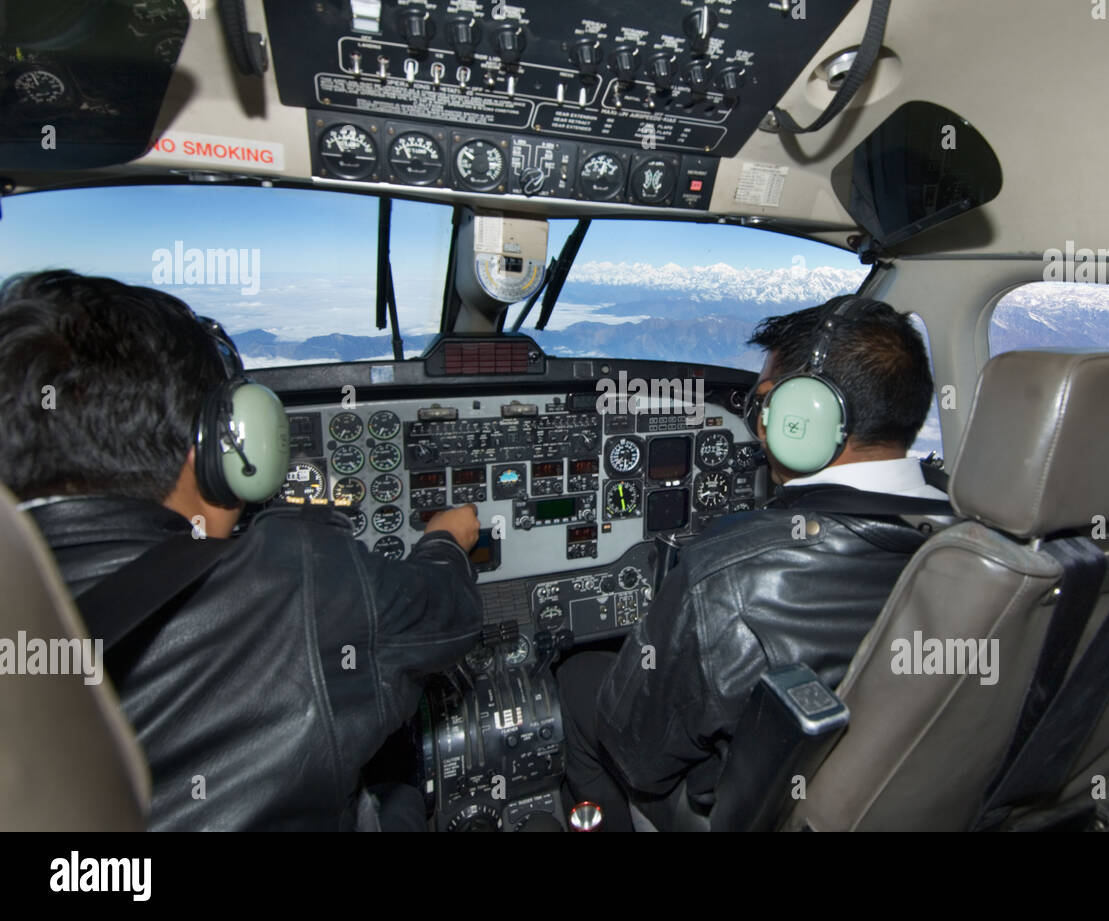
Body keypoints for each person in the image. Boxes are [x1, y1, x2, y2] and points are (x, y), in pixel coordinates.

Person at [0, 270, 483, 830]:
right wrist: (446, 539)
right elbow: (450, 614)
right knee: (401, 790)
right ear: (219, 450)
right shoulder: (295, 577)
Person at [557, 295, 947, 831]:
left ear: (801, 420)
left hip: (742, 813)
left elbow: (640, 761)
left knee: (578, 679)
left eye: (765, 406)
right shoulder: (976, 541)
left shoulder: (729, 580)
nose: (760, 428)